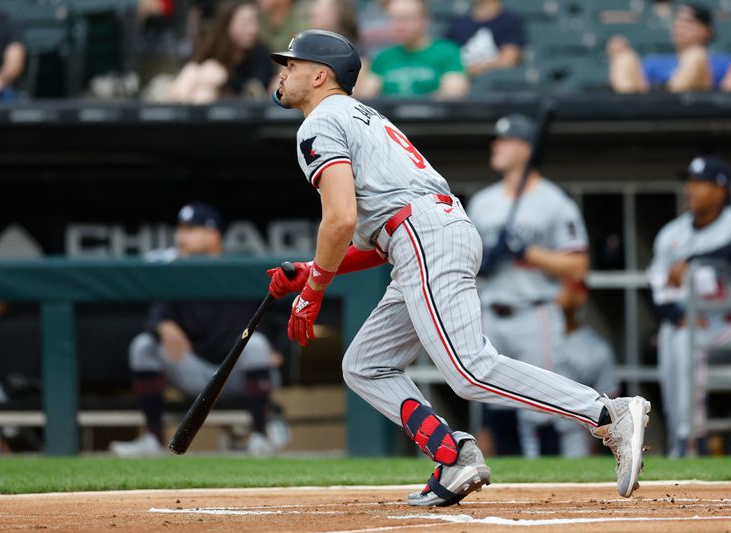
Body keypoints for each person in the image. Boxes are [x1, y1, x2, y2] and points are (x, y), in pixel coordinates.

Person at [267, 29, 649, 505]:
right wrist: (313, 268)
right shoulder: (361, 116)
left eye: (292, 65)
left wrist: (314, 291)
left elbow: (341, 218)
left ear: (320, 75)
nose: (283, 73)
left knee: (469, 369)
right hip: (421, 234)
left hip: (423, 236)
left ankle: (608, 414)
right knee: (365, 365)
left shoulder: (320, 120)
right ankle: (454, 456)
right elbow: (380, 234)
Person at [109, 202, 287, 457]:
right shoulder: (177, 273)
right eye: (181, 229)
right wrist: (163, 325)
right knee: (143, 346)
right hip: (193, 370)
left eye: (191, 229)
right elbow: (155, 316)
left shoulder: (239, 270)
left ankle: (261, 437)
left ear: (213, 234)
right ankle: (153, 440)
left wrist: (281, 348)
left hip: (235, 372)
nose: (181, 236)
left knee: (257, 344)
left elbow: (284, 309)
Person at [466, 114, 591, 459]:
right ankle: (511, 478)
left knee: (542, 402)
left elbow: (578, 264)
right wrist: (485, 260)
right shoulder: (483, 202)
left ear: (525, 148)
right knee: (494, 400)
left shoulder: (553, 201)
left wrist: (528, 252)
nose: (496, 146)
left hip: (534, 313)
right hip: (492, 307)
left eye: (505, 140)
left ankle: (548, 476)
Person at [648, 155, 731, 457]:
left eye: (701, 183)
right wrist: (676, 315)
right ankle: (680, 438)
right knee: (674, 340)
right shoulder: (672, 233)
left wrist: (696, 259)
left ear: (721, 190)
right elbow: (655, 285)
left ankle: (690, 439)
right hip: (687, 322)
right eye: (690, 182)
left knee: (686, 344)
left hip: (724, 322)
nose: (691, 190)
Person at [553, 280, 620, 457]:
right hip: (529, 434)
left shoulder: (597, 349)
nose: (555, 294)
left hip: (574, 439)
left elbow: (611, 412)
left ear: (580, 295)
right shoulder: (524, 343)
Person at [607, 2, 730, 93]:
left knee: (695, 55)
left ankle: (670, 101)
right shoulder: (655, 62)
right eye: (677, 21)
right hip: (650, 109)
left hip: (698, 111)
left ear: (706, 31)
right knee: (625, 59)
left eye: (688, 21)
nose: (680, 26)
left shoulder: (722, 62)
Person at [355, 0, 468, 99]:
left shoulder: (447, 51)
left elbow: (453, 94)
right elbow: (367, 98)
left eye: (406, 18)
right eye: (393, 18)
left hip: (432, 122)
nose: (399, 26)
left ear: (425, 21)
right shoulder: (383, 57)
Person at [165, 0, 272, 103]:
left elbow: (257, 88)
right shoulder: (214, 48)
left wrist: (224, 80)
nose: (252, 29)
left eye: (255, 22)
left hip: (241, 108)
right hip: (201, 96)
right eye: (245, 23)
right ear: (228, 24)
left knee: (205, 92)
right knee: (192, 73)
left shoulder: (261, 52)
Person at [445, 0, 526, 78]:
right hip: (459, 83)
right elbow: (446, 57)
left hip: (496, 84)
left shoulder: (511, 21)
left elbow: (509, 59)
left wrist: (479, 68)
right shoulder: (458, 22)